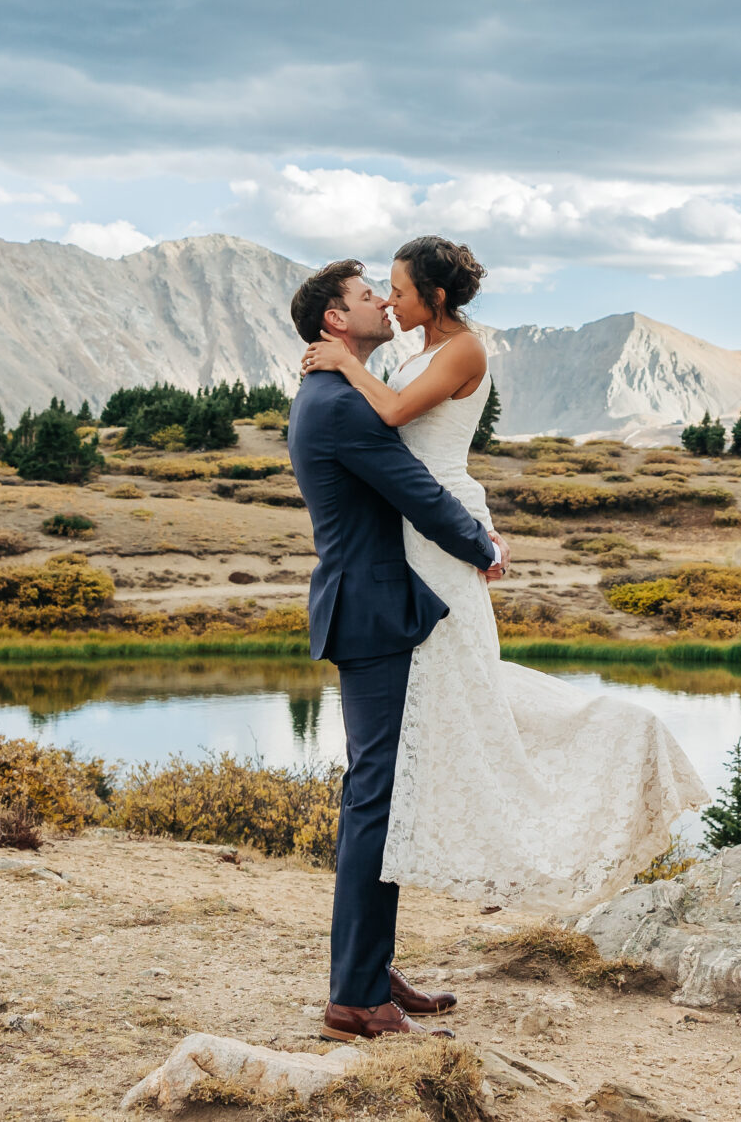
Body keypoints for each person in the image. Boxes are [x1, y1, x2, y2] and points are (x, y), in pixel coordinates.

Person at [298, 238, 709, 933]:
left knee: (451, 705)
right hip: (413, 543)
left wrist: (475, 537)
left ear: (433, 295)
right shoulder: (405, 353)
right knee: (416, 739)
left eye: (396, 290)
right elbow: (389, 439)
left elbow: (396, 417)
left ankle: (595, 769)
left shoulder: (464, 349)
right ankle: (372, 960)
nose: (389, 301)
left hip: (438, 534)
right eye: (379, 293)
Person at [288, 257, 506, 1042]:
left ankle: (371, 970)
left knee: (379, 791)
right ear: (336, 322)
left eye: (389, 287)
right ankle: (354, 996)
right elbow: (414, 488)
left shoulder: (335, 390)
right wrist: (480, 543)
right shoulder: (343, 405)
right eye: (365, 294)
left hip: (372, 606)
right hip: (375, 612)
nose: (382, 300)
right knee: (376, 795)